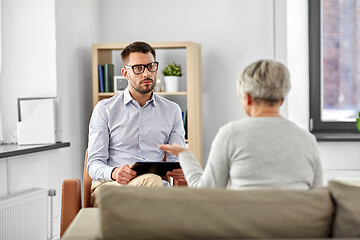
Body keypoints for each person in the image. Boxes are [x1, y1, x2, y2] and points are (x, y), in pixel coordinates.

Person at [160, 59, 323, 189]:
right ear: (282, 100)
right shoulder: (307, 139)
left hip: (244, 229)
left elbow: (206, 192)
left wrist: (185, 154)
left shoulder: (231, 134)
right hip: (296, 229)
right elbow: (317, 198)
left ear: (248, 98)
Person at [87, 41, 187, 204]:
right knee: (154, 185)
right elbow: (93, 164)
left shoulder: (172, 110)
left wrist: (181, 168)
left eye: (151, 66)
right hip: (112, 187)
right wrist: (114, 172)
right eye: (139, 68)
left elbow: (174, 160)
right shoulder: (105, 109)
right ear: (125, 73)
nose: (147, 73)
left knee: (153, 183)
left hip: (153, 187)